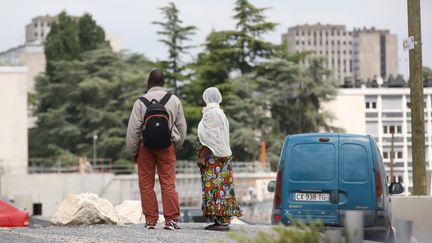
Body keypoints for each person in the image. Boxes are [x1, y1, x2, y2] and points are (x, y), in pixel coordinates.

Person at [126, 69, 187, 230]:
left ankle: (151, 220)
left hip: (145, 147)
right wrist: (177, 145)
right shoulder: (174, 100)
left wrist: (134, 151)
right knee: (168, 184)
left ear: (148, 82)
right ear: (164, 83)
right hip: (167, 147)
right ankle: (171, 220)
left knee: (146, 184)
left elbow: (133, 130)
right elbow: (182, 125)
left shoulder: (140, 102)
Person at [196, 87, 242, 231]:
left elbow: (211, 138)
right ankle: (220, 220)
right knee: (223, 188)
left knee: (214, 187)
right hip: (222, 158)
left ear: (206, 98)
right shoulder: (220, 113)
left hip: (213, 158)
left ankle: (221, 222)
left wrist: (202, 156)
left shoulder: (211, 114)